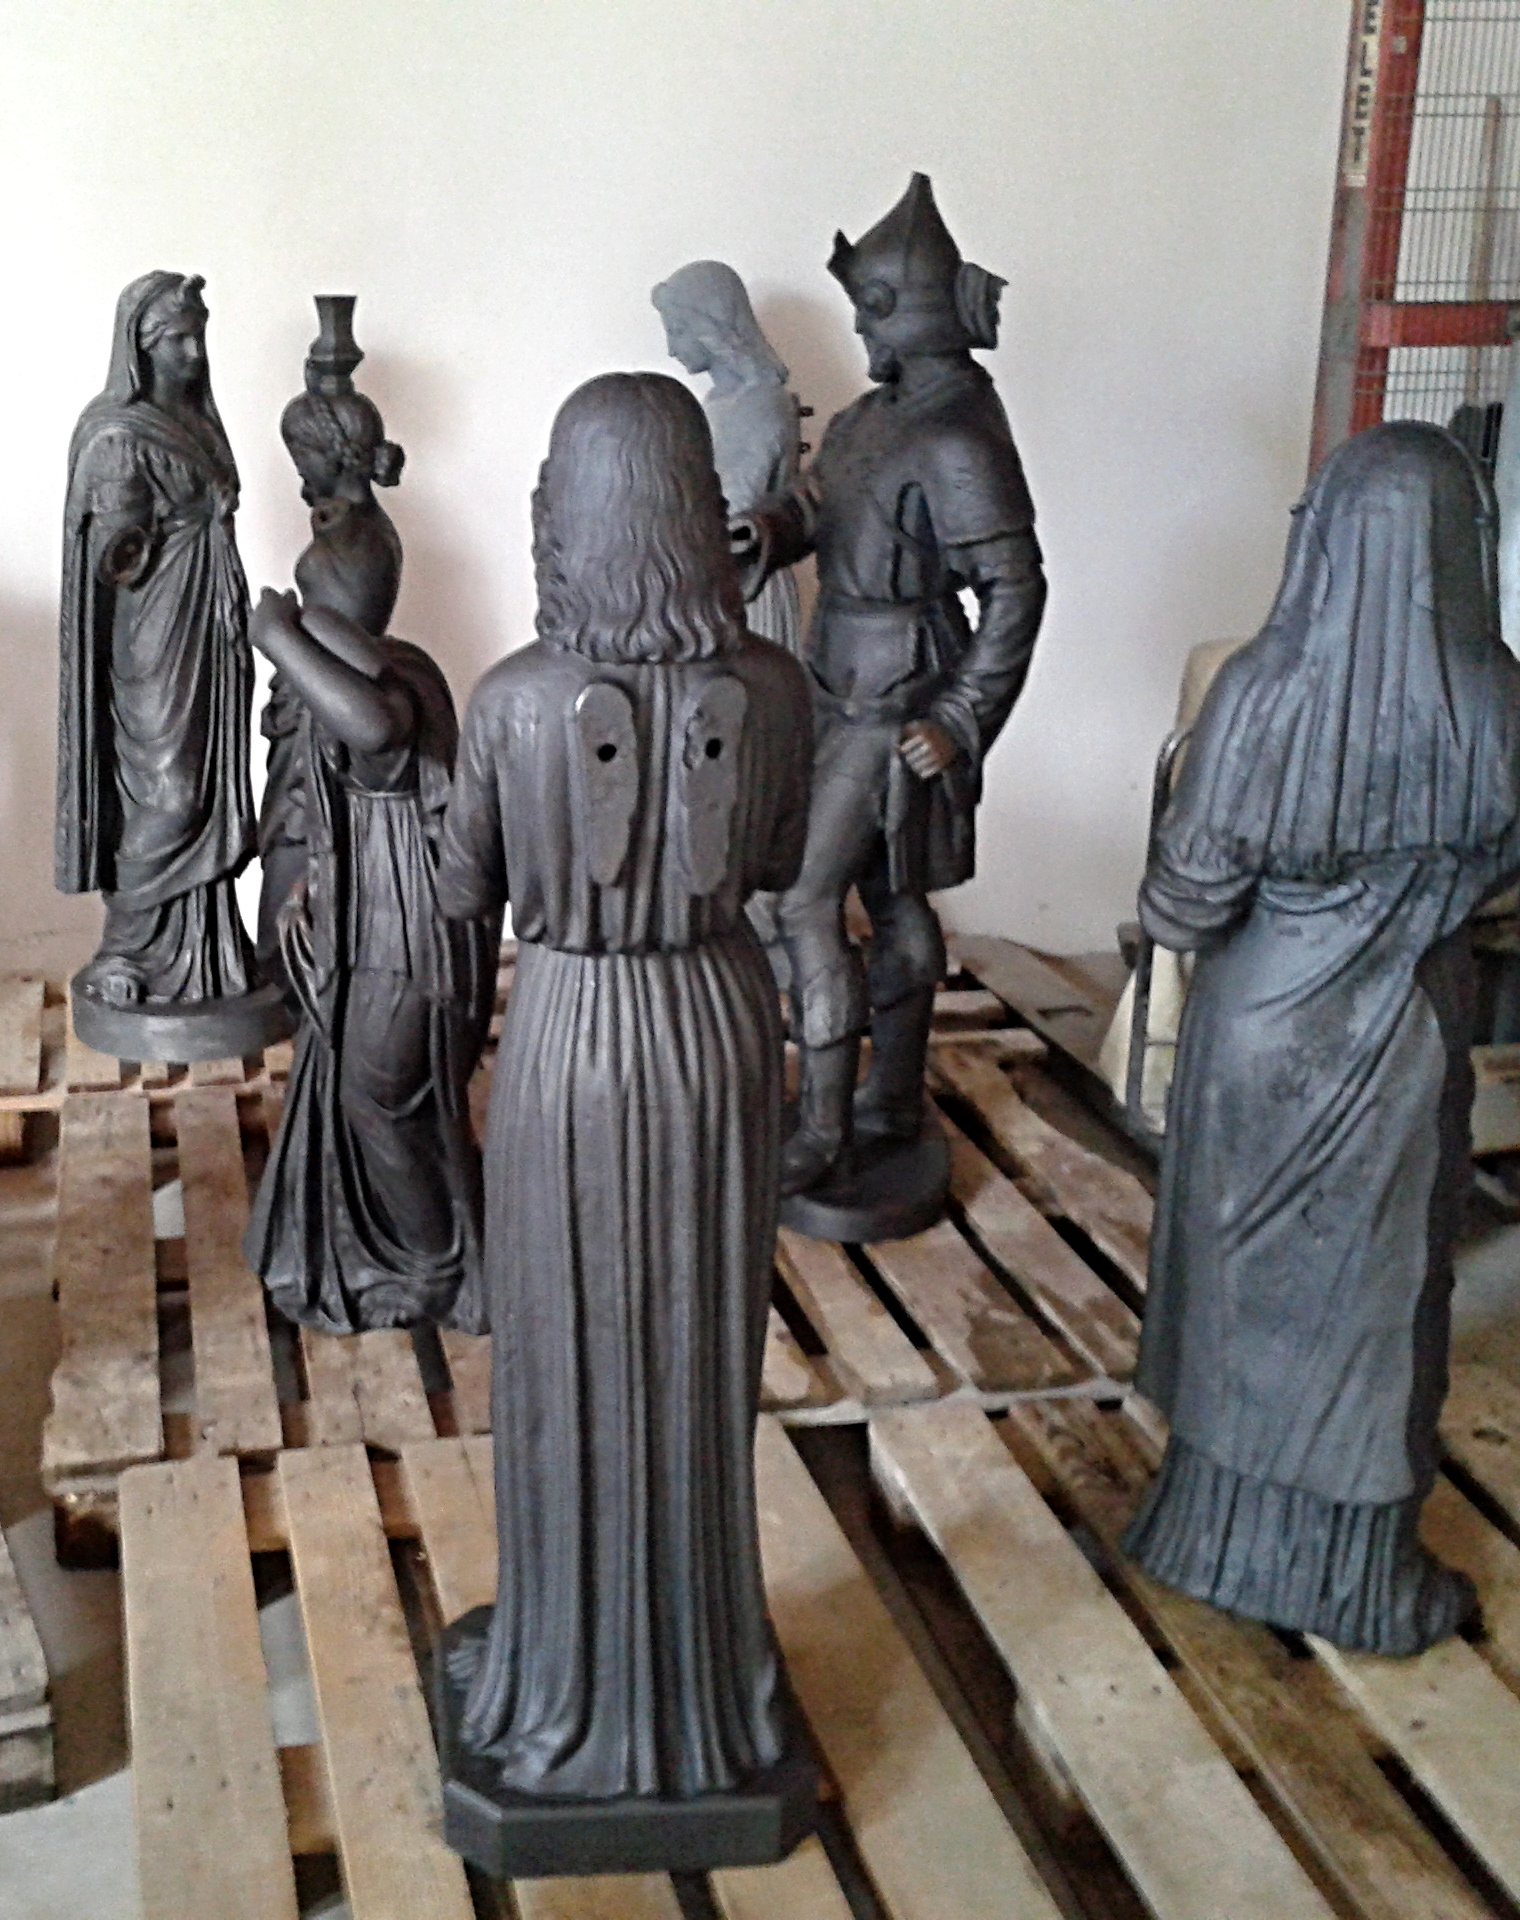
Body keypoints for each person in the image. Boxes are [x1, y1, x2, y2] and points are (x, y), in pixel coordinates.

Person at [435, 372, 811, 1811]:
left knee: (567, 1352)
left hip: (574, 1040)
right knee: (701, 1361)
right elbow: (776, 864)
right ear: (701, 517)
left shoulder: (512, 702)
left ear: (562, 519)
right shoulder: (774, 689)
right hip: (716, 1032)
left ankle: (563, 1679)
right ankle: (698, 1686)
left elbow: (466, 887)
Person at [1121, 422, 1520, 1655]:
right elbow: (1514, 861)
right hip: (1401, 1031)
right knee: (1370, 1308)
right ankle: (1353, 1571)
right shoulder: (1501, 705)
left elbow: (1182, 905)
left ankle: (1209, 1531)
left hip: (1256, 1035)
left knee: (1241, 1290)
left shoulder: (1260, 694)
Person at [741, 176, 1046, 1207]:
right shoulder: (874, 418)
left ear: (906, 312)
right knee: (892, 895)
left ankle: (831, 1126)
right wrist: (767, 531)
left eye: (871, 309)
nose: (862, 330)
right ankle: (888, 1100)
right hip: (837, 678)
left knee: (805, 898)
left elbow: (1015, 588)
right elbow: (823, 507)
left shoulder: (957, 436)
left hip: (896, 695)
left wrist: (959, 716)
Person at [241, 354, 494, 1334]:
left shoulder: (385, 707)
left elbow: (376, 729)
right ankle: (408, 1242)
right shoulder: (397, 670)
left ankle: (429, 1260)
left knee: (380, 1101)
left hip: (406, 943)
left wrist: (278, 637)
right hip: (376, 929)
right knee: (390, 1100)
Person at [57, 272, 263, 1019]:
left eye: (197, 337)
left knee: (205, 788)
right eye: (176, 339)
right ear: (140, 349)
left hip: (209, 629)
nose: (193, 353)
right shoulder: (118, 433)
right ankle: (127, 949)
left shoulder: (198, 421)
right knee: (166, 794)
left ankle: (206, 956)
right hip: (152, 637)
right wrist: (122, 529)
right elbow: (110, 554)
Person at [651, 260, 808, 645]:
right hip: (716, 578)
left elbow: (735, 503)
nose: (672, 349)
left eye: (678, 331)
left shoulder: (763, 402)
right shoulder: (718, 401)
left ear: (710, 327)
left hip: (749, 581)